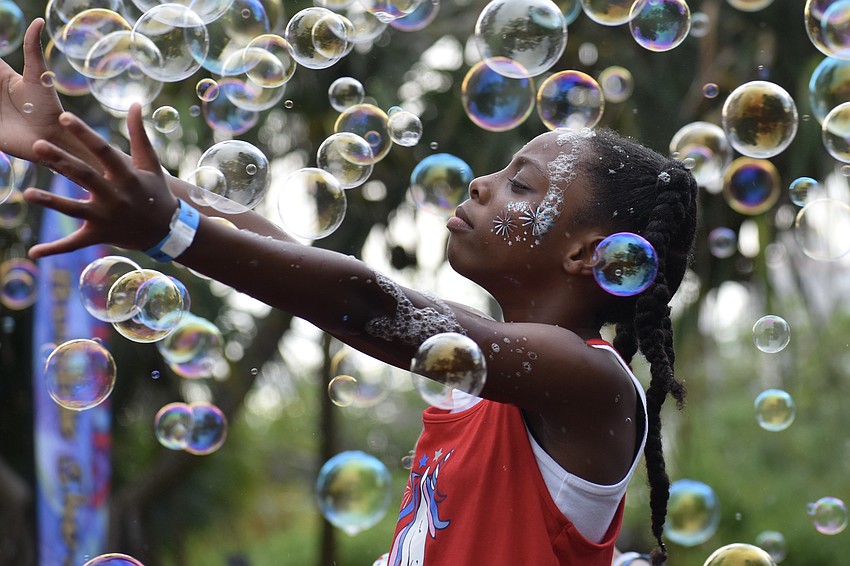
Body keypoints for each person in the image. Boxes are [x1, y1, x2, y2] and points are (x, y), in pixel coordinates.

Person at [4, 19, 698, 566]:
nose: (482, 184)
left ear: (589, 254)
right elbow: (281, 246)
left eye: (521, 186)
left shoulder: (591, 382)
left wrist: (170, 232)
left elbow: (372, 305)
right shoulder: (487, 374)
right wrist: (73, 154)